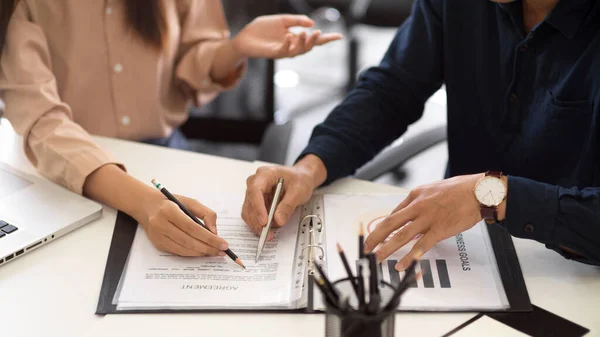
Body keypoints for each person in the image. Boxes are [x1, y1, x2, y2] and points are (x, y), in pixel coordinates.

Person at [243, 0, 600, 270]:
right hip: (465, 255)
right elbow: (393, 89)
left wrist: (495, 197)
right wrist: (310, 167)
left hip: (570, 270)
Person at [0, 0, 341, 257]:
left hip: (163, 156)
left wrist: (235, 48)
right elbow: (42, 119)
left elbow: (190, 64)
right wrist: (145, 204)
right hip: (61, 177)